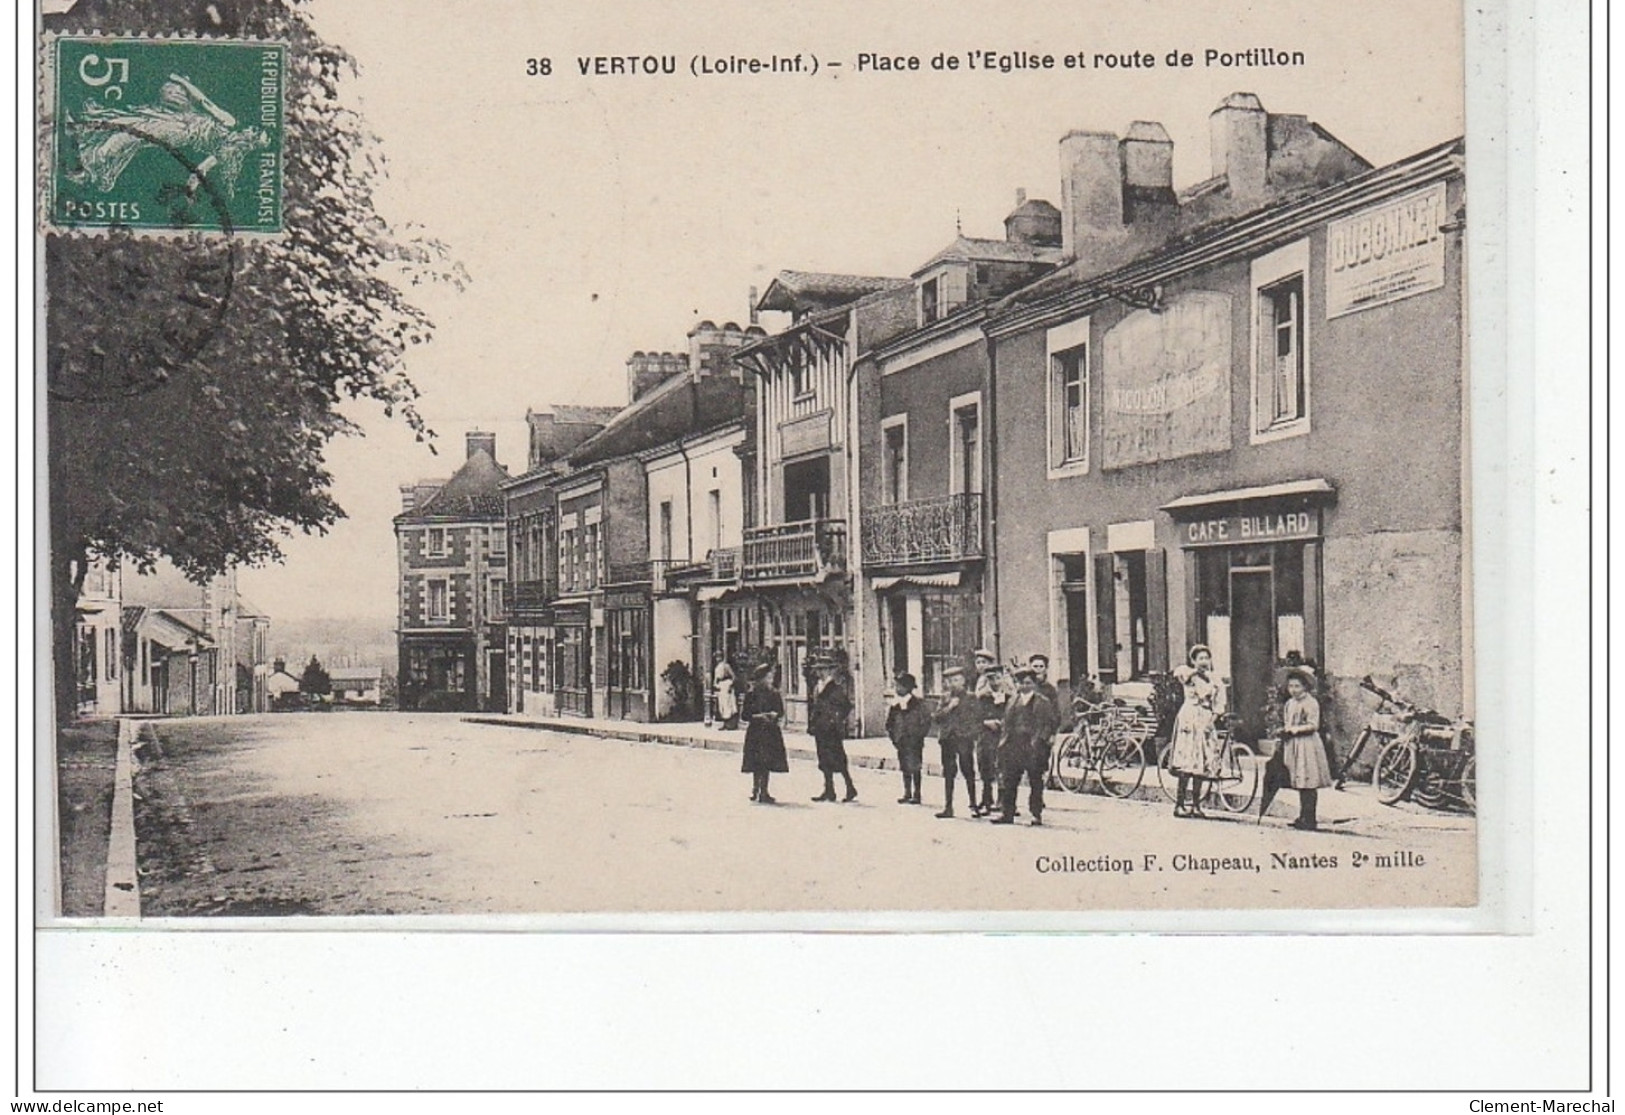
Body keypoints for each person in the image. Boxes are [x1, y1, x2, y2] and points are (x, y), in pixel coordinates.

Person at [991, 667, 1060, 826]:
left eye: (1028, 682)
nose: (1024, 686)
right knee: (1010, 780)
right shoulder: (1013, 700)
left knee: (1035, 781)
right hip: (1014, 746)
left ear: (1034, 684)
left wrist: (1042, 741)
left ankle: (1036, 814)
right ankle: (1007, 813)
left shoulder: (1042, 702)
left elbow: (1048, 724)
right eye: (1021, 682)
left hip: (1033, 746)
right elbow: (1007, 723)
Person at [1169, 645, 1226, 819]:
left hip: (1205, 719)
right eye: (1200, 658)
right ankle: (1179, 805)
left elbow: (1219, 702)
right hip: (1190, 718)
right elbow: (1180, 675)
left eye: (1206, 658)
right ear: (1193, 661)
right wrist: (1195, 672)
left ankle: (1196, 805)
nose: (1204, 662)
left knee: (1201, 764)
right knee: (1188, 761)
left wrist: (1213, 718)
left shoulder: (1214, 679)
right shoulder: (1187, 673)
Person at [1277, 667, 1332, 830]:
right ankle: (1302, 816)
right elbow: (1288, 722)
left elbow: (1313, 725)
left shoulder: (1310, 702)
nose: (1293, 690)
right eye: (1291, 686)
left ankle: (1310, 818)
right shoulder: (1290, 703)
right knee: (1300, 781)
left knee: (1309, 781)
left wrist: (1294, 729)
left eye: (1297, 686)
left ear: (1305, 687)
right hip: (1294, 744)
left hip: (1307, 744)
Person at [931, 665, 981, 818]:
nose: (954, 683)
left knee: (968, 771)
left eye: (957, 680)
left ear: (964, 681)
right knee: (948, 772)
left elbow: (977, 719)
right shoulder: (945, 698)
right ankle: (948, 807)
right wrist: (949, 707)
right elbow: (937, 717)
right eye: (950, 680)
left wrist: (971, 735)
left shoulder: (971, 698)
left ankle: (973, 805)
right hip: (947, 739)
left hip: (964, 739)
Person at [807, 652, 857, 803]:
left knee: (838, 759)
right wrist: (813, 723)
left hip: (831, 729)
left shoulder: (835, 688)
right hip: (820, 728)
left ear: (829, 670)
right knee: (824, 759)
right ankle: (829, 790)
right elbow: (815, 707)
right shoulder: (817, 687)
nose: (819, 672)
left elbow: (846, 706)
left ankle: (850, 788)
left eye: (822, 669)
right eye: (818, 669)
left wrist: (836, 720)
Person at [740, 663, 787, 804]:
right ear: (761, 679)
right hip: (756, 731)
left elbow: (780, 711)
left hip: (769, 731)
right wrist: (760, 716)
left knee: (766, 761)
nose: (770, 679)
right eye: (768, 677)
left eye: (771, 676)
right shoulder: (751, 695)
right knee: (756, 761)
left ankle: (764, 791)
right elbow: (745, 715)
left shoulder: (774, 694)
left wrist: (774, 715)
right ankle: (756, 789)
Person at [971, 648, 1009, 817]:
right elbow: (973, 717)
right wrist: (986, 722)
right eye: (990, 678)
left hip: (1004, 737)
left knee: (1003, 766)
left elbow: (1015, 716)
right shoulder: (982, 698)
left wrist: (1003, 723)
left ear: (1002, 679)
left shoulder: (1010, 698)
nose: (994, 682)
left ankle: (1003, 799)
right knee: (985, 767)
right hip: (985, 737)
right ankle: (987, 799)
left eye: (997, 678)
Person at [886, 673, 931, 805]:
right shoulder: (895, 706)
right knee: (904, 766)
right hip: (901, 741)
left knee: (915, 766)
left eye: (899, 686)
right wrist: (894, 738)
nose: (897, 689)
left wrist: (919, 735)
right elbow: (889, 724)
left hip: (915, 741)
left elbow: (926, 721)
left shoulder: (918, 704)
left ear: (907, 688)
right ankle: (907, 792)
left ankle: (917, 793)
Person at [712, 653, 738, 730]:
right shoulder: (717, 667)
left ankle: (730, 724)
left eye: (719, 657)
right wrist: (715, 684)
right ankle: (724, 723)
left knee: (728, 705)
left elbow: (734, 676)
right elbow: (716, 678)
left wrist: (730, 685)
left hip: (727, 684)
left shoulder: (726, 666)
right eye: (716, 657)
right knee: (722, 705)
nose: (717, 659)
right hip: (721, 685)